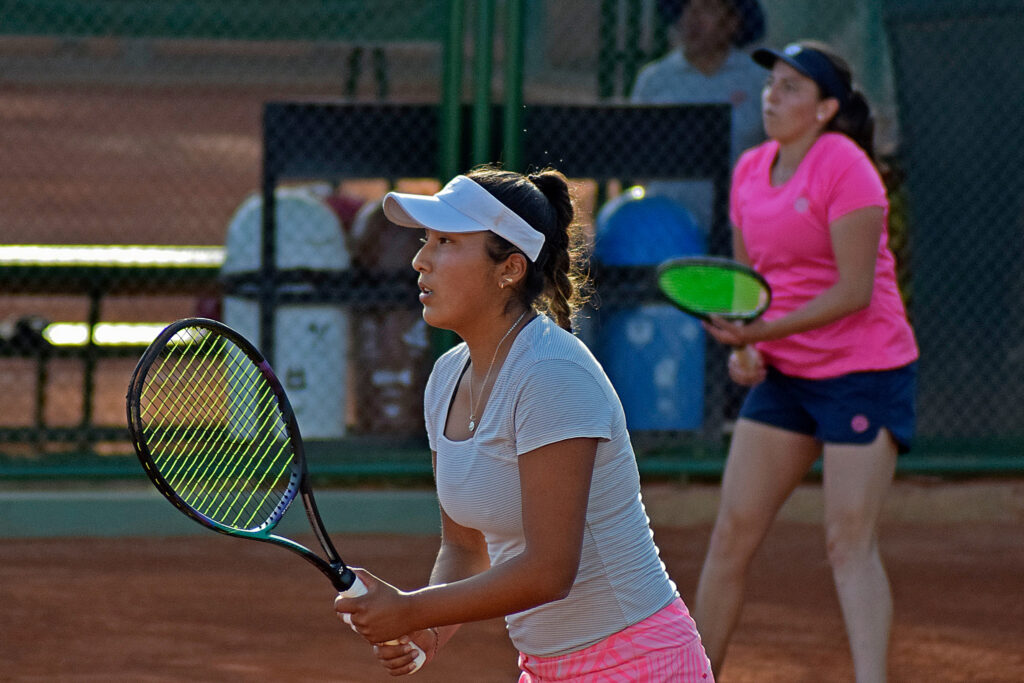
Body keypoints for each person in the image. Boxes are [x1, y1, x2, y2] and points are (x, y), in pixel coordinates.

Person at [333, 165, 715, 681]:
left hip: (640, 663)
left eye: (445, 242)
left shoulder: (552, 373)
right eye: (426, 240)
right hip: (544, 668)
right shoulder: (447, 377)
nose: (420, 259)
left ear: (509, 269)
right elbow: (466, 547)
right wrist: (429, 633)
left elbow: (549, 571)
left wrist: (412, 610)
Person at [691, 41, 919, 683]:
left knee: (848, 541)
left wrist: (761, 331)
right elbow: (750, 286)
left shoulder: (846, 168)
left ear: (825, 109)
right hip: (788, 376)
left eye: (792, 87)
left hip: (864, 371)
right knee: (731, 534)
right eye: (772, 84)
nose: (773, 95)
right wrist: (753, 349)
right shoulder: (750, 169)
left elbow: (853, 291)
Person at [630, 0, 767, 236]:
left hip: (742, 225)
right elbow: (633, 160)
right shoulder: (654, 80)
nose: (693, 18)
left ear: (733, 23)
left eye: (708, 8)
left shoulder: (760, 81)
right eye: (687, 8)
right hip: (666, 228)